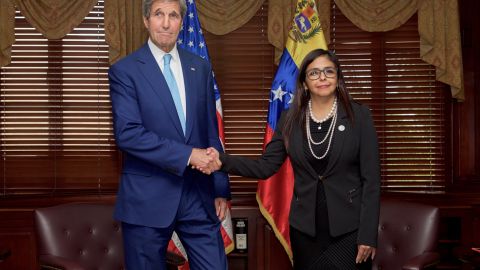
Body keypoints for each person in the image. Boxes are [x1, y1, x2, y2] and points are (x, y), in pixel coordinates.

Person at [204, 49, 381, 269]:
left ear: (338, 78)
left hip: (349, 230)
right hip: (305, 231)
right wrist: (222, 160)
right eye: (314, 73)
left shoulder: (359, 116)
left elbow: (371, 181)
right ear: (305, 83)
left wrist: (368, 235)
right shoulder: (290, 119)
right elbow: (265, 166)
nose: (322, 77)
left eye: (328, 71)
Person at [108, 0, 230, 269]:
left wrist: (220, 188)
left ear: (181, 22)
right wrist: (188, 155)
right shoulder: (125, 71)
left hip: (198, 194)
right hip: (147, 198)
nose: (165, 23)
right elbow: (128, 134)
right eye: (158, 14)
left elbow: (211, 131)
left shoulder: (200, 68)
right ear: (146, 21)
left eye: (173, 15)